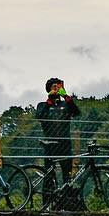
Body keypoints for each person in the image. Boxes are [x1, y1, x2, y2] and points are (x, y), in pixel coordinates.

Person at [34, 77, 81, 206]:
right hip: (50, 145)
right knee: (48, 174)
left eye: (58, 87)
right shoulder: (43, 105)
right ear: (48, 90)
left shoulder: (65, 105)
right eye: (54, 87)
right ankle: (46, 204)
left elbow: (76, 112)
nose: (56, 89)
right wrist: (49, 101)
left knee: (67, 175)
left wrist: (65, 96)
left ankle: (65, 203)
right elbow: (39, 116)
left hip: (65, 144)